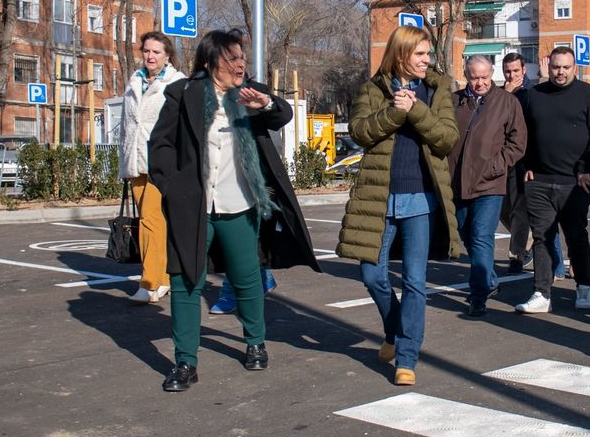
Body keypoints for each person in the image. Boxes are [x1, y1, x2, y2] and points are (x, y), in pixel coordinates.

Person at [148, 29, 320, 392]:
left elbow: (282, 113)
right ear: (211, 63)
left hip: (239, 205)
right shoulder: (184, 93)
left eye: (242, 58)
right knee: (185, 281)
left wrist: (267, 105)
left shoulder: (249, 93)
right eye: (232, 59)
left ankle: (255, 343)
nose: (240, 64)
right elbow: (160, 144)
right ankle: (185, 362)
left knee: (247, 279)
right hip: (193, 207)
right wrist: (174, 187)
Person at [337, 25, 461, 386]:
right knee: (371, 274)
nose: (427, 61)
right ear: (402, 53)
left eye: (429, 54)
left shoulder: (437, 91)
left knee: (415, 281)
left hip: (421, 197)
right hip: (379, 196)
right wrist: (394, 112)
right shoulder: (374, 89)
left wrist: (416, 109)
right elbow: (359, 132)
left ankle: (406, 357)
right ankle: (394, 330)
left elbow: (447, 140)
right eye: (420, 54)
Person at [513, 46, 590, 314]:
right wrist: (527, 164)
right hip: (540, 180)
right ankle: (542, 293)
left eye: (566, 67)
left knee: (576, 236)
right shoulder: (534, 95)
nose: (561, 72)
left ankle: (584, 287)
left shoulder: (588, 95)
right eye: (556, 67)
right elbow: (523, 133)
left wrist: (585, 168)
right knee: (542, 237)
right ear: (548, 67)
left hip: (575, 181)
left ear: (574, 68)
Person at [449, 56, 527, 316]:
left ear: (491, 74)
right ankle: (490, 280)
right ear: (466, 75)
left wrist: (498, 165)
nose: (480, 82)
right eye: (474, 77)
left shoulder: (507, 102)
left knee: (482, 235)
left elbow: (518, 142)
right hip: (457, 182)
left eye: (485, 77)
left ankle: (478, 295)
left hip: (491, 183)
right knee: (465, 233)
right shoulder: (454, 101)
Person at [120, 31, 186, 304]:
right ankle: (166, 279)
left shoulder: (177, 83)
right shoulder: (134, 81)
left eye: (156, 52)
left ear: (167, 55)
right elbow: (126, 126)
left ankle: (149, 282)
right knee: (153, 223)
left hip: (162, 162)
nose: (150, 56)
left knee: (151, 219)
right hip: (135, 161)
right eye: (146, 50)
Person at [500, 52, 533, 273]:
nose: (512, 75)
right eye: (507, 71)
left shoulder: (531, 94)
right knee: (502, 208)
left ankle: (517, 255)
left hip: (524, 159)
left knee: (519, 209)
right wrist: (506, 95)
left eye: (515, 71)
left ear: (524, 70)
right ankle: (526, 239)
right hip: (503, 158)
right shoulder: (501, 93)